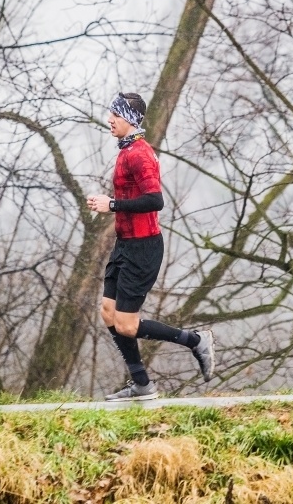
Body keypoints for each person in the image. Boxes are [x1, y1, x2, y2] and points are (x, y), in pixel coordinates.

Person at [87, 92, 215, 401]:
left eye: (115, 115)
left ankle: (195, 340)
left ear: (129, 119)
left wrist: (112, 204)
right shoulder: (126, 150)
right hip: (125, 245)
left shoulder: (139, 154)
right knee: (108, 312)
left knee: (127, 325)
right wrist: (108, 204)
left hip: (143, 248)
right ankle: (142, 384)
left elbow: (155, 200)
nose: (109, 119)